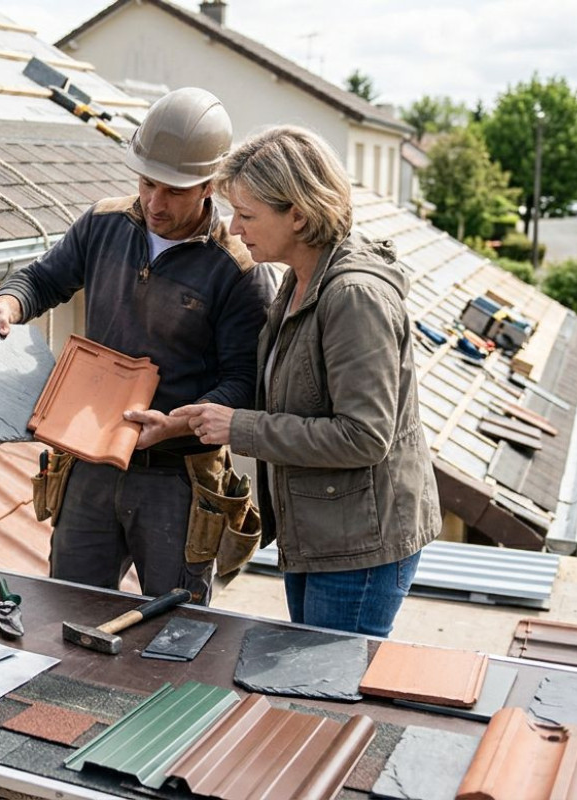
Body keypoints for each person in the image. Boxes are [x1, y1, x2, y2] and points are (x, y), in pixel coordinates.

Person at [0, 88, 274, 604]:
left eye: (174, 191)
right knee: (68, 611)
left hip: (177, 481)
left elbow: (244, 385)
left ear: (209, 184)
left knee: (174, 630)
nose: (155, 203)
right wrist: (9, 303)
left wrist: (176, 425)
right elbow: (42, 280)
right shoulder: (103, 223)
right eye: (146, 183)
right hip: (88, 462)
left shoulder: (239, 271)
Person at [173, 125, 440, 635]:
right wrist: (187, 420)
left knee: (324, 696)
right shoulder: (299, 279)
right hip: (322, 536)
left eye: (248, 215)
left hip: (360, 547)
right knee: (310, 683)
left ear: (298, 213)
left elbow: (364, 437)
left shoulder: (353, 298)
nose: (232, 227)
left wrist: (241, 428)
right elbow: (290, 390)